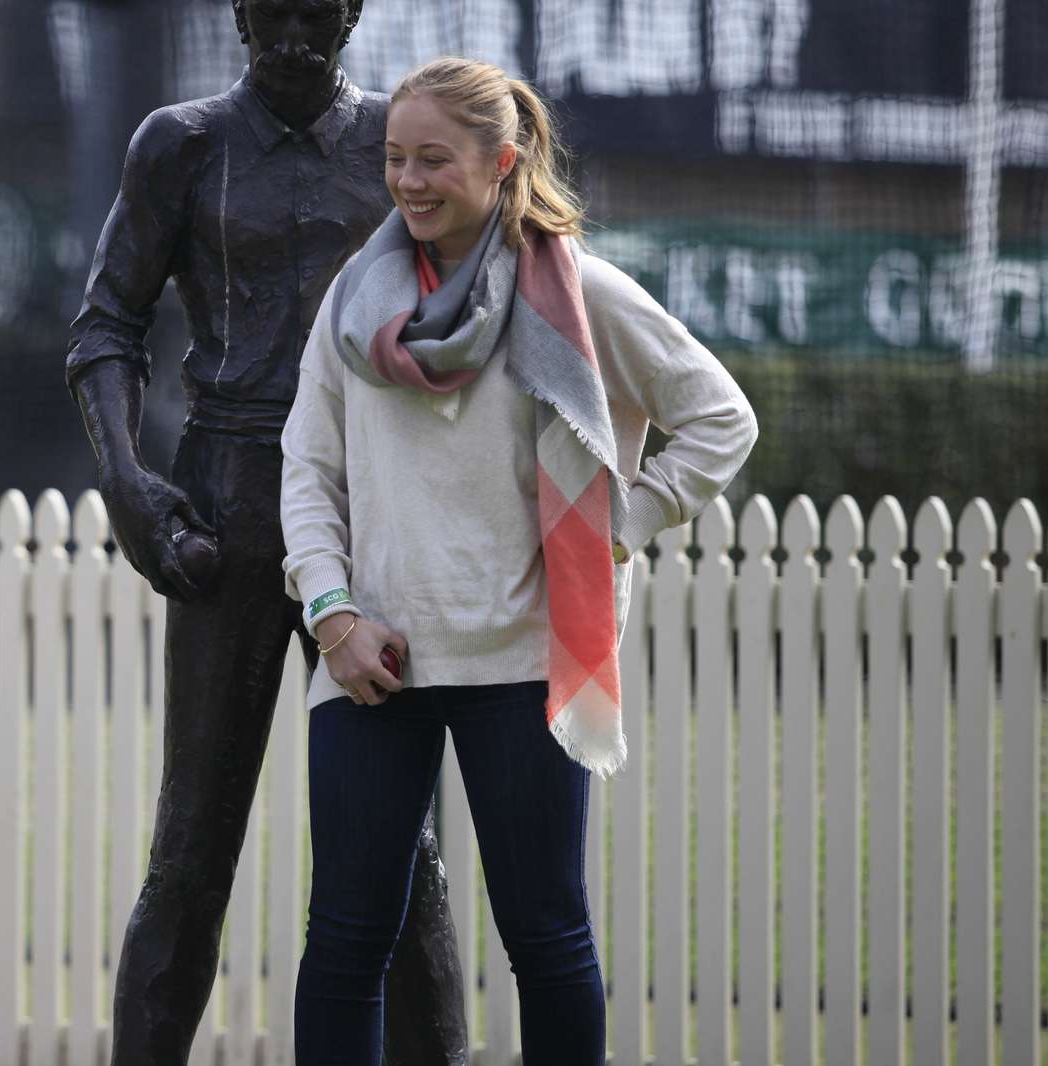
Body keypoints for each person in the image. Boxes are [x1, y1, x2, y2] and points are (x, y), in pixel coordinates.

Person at [281, 58, 759, 1064]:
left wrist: (617, 524)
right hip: (373, 663)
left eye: (433, 161)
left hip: (527, 671)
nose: (407, 181)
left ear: (500, 163)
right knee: (343, 940)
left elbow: (720, 416)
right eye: (393, 159)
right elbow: (306, 468)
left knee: (544, 938)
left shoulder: (580, 293)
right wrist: (332, 614)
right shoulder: (351, 301)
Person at [66, 0, 466, 1059]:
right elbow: (106, 325)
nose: (294, 37)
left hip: (363, 503)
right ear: (241, 14)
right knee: (191, 845)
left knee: (402, 852)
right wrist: (128, 485)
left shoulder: (397, 146)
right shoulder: (184, 144)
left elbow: (483, 309)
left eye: (316, 13)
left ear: (352, 12)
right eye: (273, 12)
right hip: (228, 506)